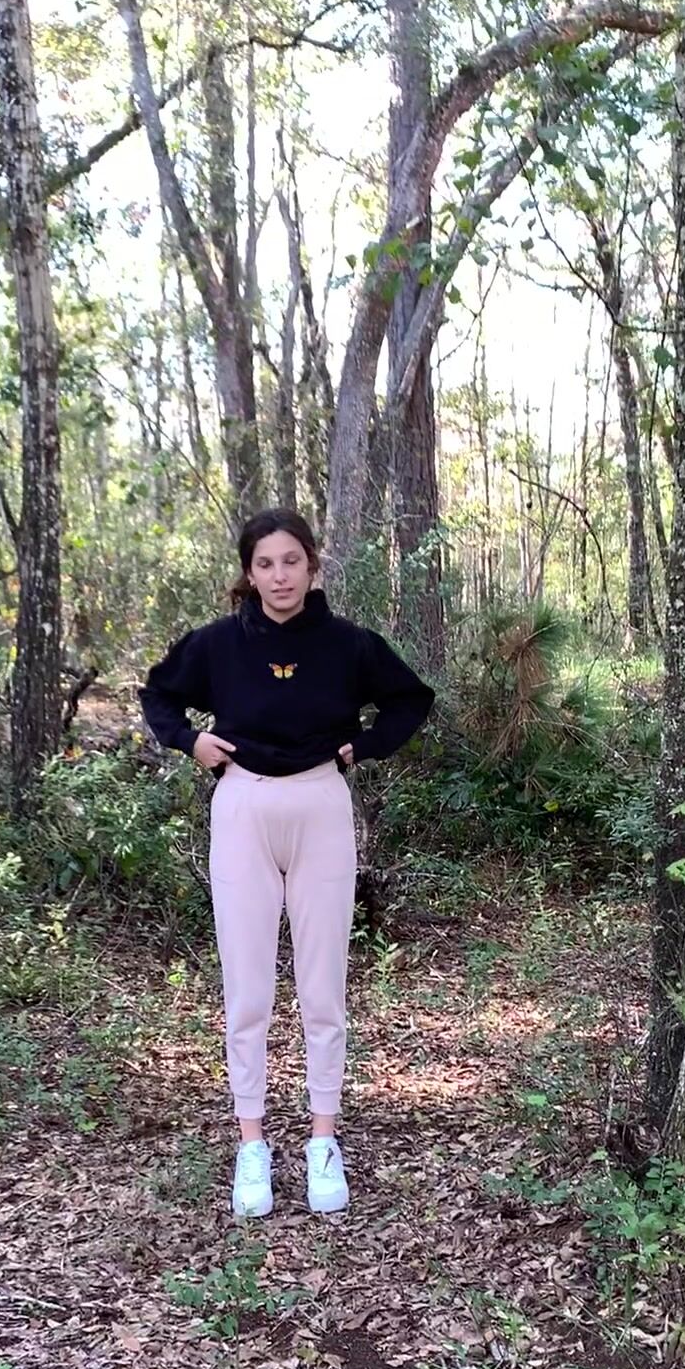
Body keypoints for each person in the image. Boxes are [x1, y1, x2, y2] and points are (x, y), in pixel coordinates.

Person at [138, 509, 434, 1218]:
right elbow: (158, 693)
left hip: (320, 806)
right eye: (265, 564)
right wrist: (190, 741)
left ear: (312, 565)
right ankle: (252, 1146)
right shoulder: (218, 644)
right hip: (243, 807)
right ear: (249, 572)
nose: (280, 576)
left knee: (322, 987)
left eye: (291, 561)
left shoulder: (347, 645)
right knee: (247, 991)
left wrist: (365, 745)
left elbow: (411, 699)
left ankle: (323, 1140)